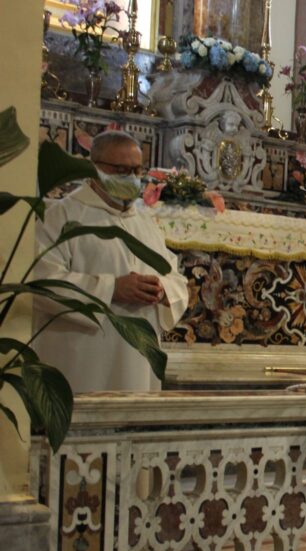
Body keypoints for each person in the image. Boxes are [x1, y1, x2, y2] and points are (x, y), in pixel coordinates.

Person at [33, 130, 189, 392]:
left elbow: (176, 278)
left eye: (137, 170)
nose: (131, 177)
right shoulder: (59, 216)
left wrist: (163, 290)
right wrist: (111, 288)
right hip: (82, 362)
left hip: (138, 362)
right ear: (94, 168)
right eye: (120, 169)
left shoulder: (144, 223)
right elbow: (41, 283)